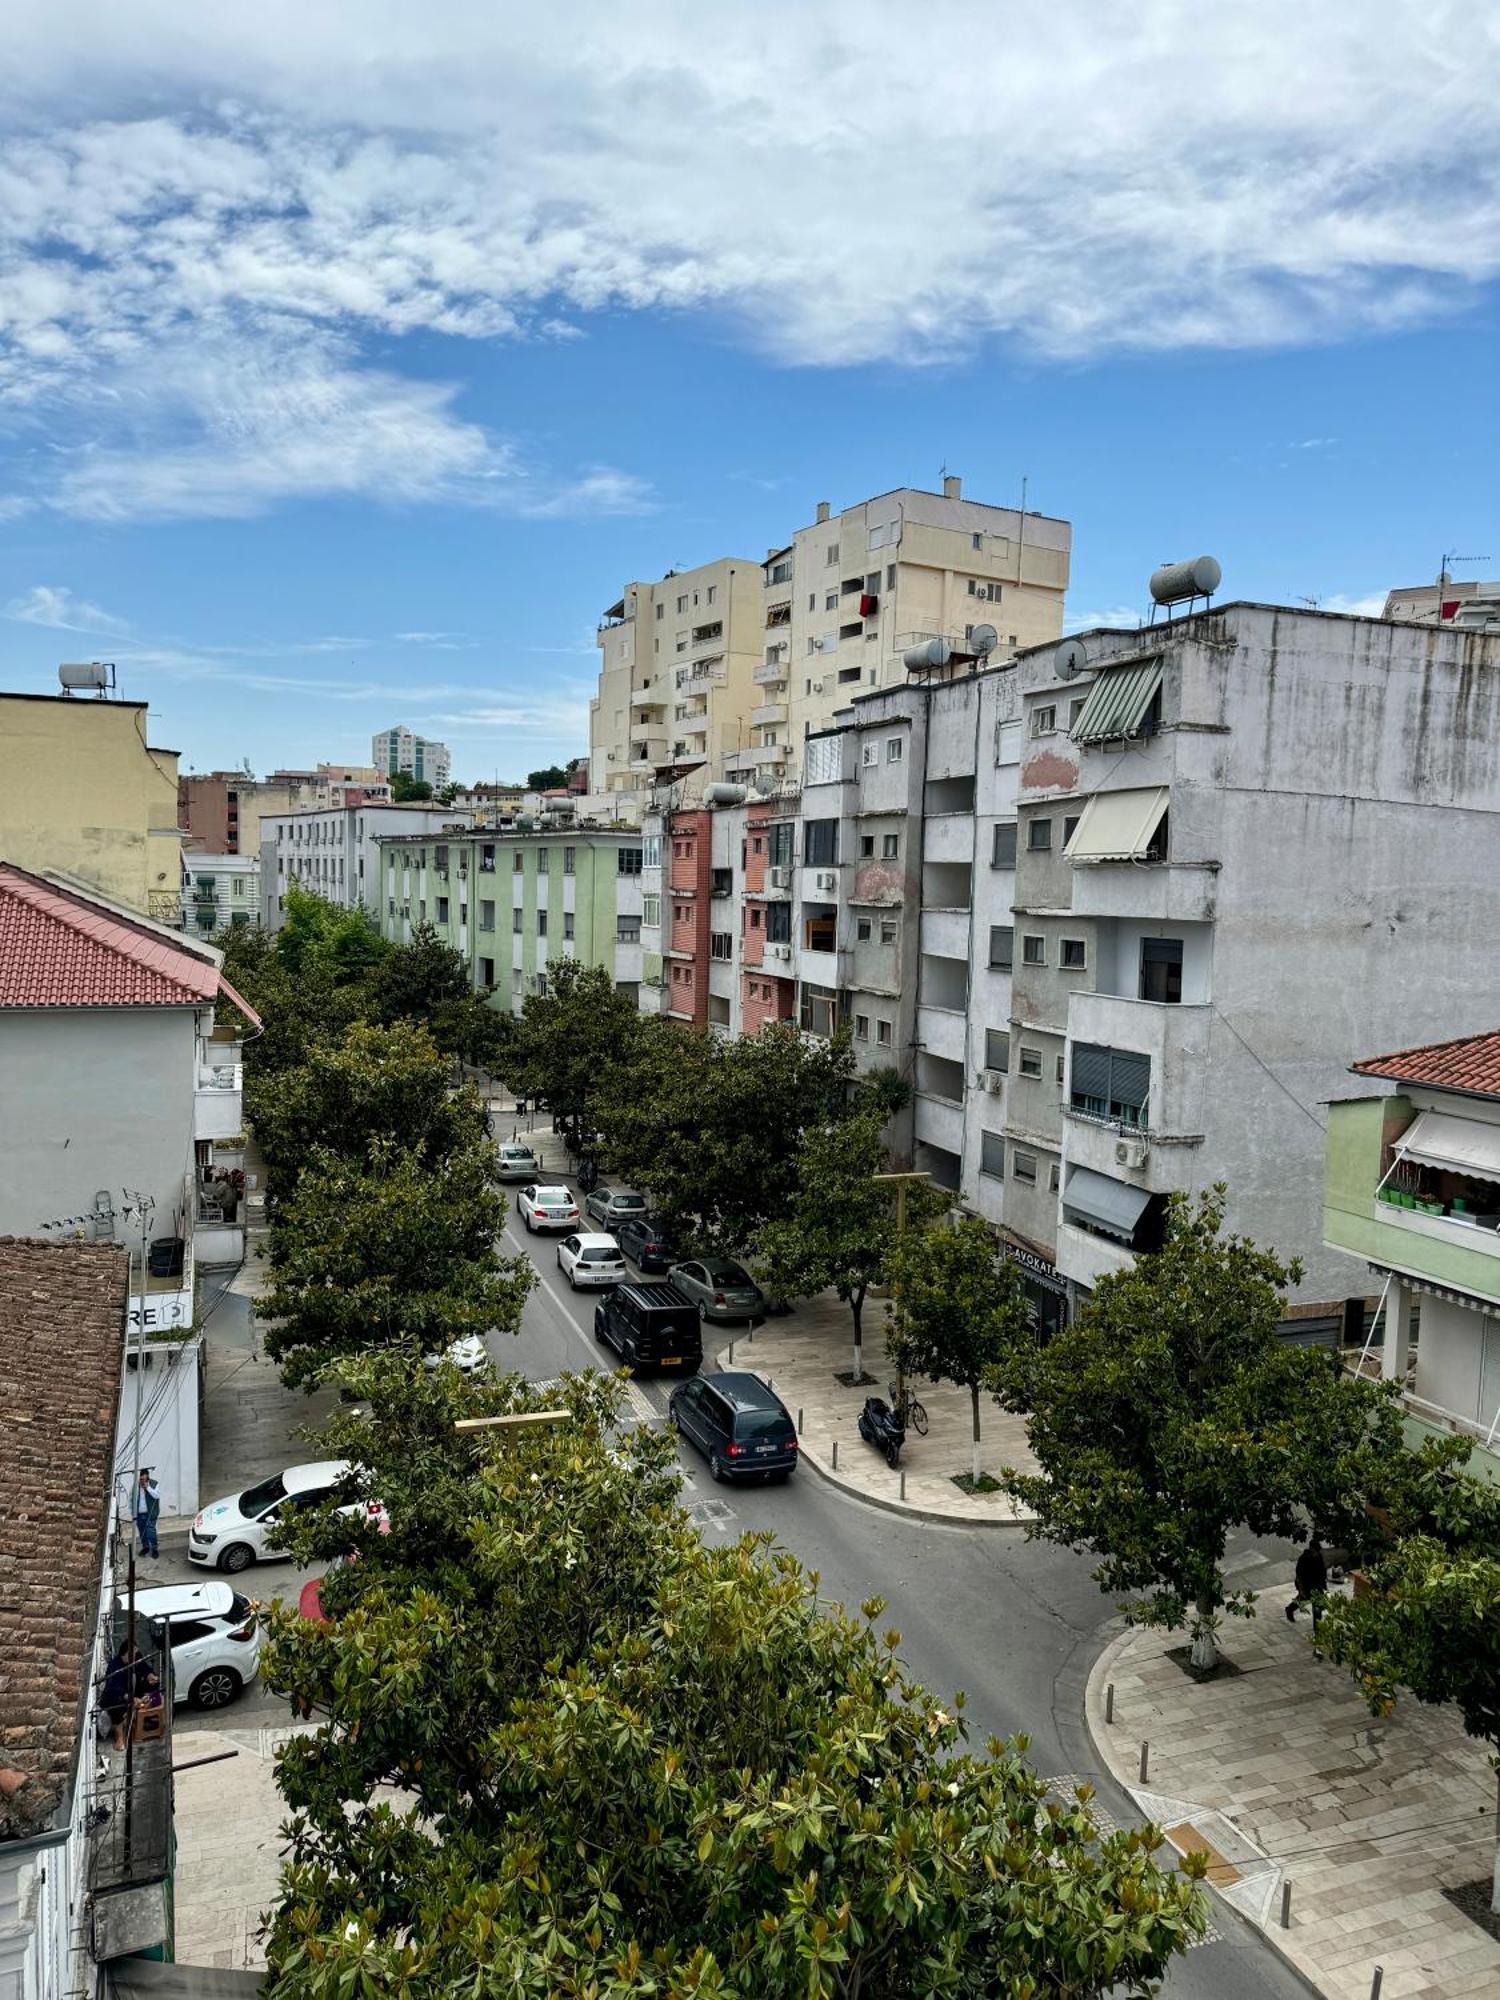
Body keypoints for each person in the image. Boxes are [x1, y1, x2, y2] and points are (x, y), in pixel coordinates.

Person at [1286, 1536, 1328, 1636]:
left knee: (1317, 1607)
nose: (1317, 1553)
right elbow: (1299, 1576)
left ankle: (1318, 1631)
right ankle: (1290, 1609)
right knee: (1303, 1598)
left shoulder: (1319, 1556)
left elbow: (1322, 1570)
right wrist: (1301, 1590)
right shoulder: (1303, 1559)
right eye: (1315, 1551)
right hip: (1306, 1584)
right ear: (1311, 1549)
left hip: (1317, 1585)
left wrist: (1323, 1584)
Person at [135, 1469, 161, 1559]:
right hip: (139, 1514)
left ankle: (154, 1549)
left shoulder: (154, 1484)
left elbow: (157, 1496)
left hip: (151, 1513)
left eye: (144, 1480)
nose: (142, 1481)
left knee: (151, 1532)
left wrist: (147, 1488)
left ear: (148, 1478)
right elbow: (132, 1499)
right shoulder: (136, 1486)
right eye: (141, 1479)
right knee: (142, 1532)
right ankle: (145, 1547)